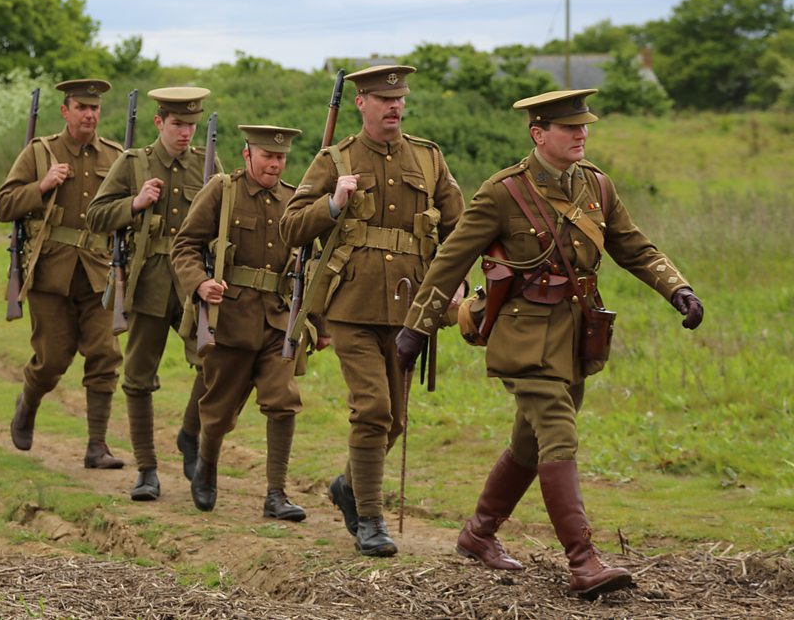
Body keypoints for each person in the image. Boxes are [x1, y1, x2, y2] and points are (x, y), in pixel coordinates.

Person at [395, 89, 704, 597]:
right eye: (570, 129)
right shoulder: (503, 192)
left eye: (584, 127)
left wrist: (678, 288)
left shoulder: (596, 186)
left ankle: (478, 534)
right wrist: (416, 327)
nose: (582, 134)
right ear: (540, 135)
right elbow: (450, 261)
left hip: (577, 334)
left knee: (529, 443)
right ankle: (583, 561)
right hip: (522, 335)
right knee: (559, 434)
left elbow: (633, 245)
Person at [279, 65, 465, 556]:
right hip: (351, 306)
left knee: (395, 422)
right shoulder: (336, 158)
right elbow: (291, 226)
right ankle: (370, 519)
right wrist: (334, 205)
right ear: (361, 103)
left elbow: (459, 228)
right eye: (383, 99)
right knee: (373, 410)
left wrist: (461, 277)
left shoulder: (428, 158)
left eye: (399, 98)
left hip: (410, 308)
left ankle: (347, 487)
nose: (394, 106)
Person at [85, 87, 223, 501]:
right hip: (146, 282)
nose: (185, 133)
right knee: (138, 377)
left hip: (192, 283)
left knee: (211, 367)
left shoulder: (208, 163)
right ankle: (146, 469)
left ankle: (189, 434)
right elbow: (96, 215)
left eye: (191, 125)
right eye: (178, 124)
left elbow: (228, 217)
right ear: (160, 122)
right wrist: (135, 202)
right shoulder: (134, 163)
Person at [171, 124, 309, 520]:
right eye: (268, 156)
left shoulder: (294, 199)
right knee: (217, 411)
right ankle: (206, 468)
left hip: (277, 320)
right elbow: (186, 245)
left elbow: (310, 262)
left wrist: (318, 323)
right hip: (228, 318)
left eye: (281, 158)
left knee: (283, 401)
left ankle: (276, 493)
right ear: (248, 155)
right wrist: (199, 284)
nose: (276, 164)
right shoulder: (223, 190)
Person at [0, 79, 126, 470]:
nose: (89, 114)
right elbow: (4, 205)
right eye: (81, 107)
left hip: (98, 273)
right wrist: (42, 185)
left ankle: (97, 446)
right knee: (52, 360)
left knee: (105, 354)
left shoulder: (118, 157)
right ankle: (29, 401)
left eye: (95, 108)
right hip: (51, 272)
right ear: (65, 111)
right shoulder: (40, 153)